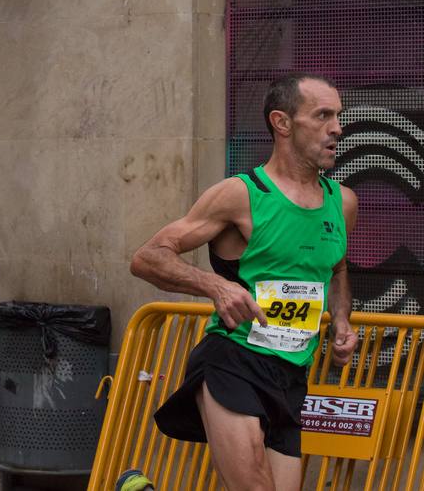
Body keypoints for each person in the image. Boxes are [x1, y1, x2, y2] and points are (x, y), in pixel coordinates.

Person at [125, 74, 358, 491]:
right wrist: (216, 287)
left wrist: (341, 320)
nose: (337, 127)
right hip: (234, 360)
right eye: (323, 115)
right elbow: (147, 258)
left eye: (338, 116)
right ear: (282, 123)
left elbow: (338, 270)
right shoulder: (242, 194)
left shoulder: (342, 203)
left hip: (292, 375)